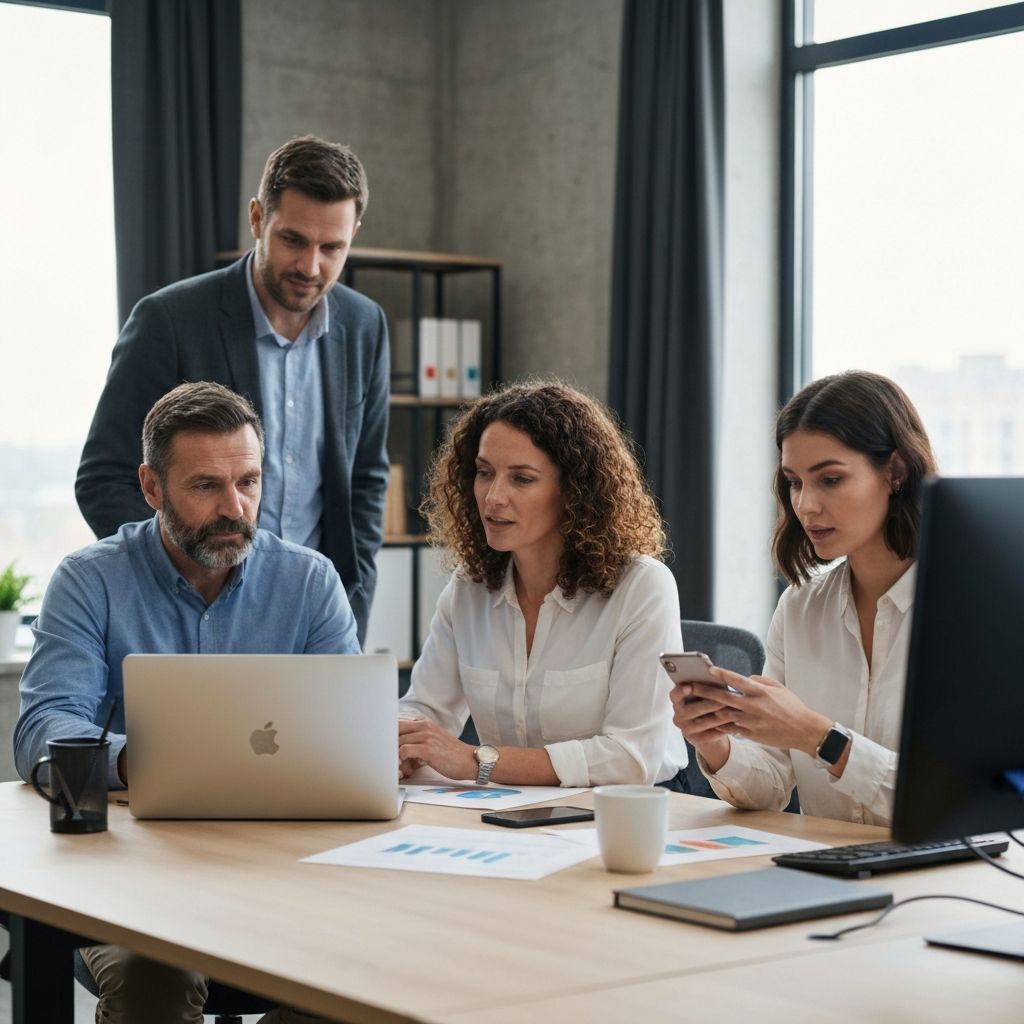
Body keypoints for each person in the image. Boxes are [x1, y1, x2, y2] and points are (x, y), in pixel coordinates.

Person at [16, 381, 356, 1024]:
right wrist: (139, 761)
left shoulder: (309, 581)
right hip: (132, 869)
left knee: (369, 971)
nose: (235, 507)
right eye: (206, 486)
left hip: (282, 865)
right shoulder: (90, 580)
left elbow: (349, 732)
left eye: (248, 482)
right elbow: (43, 727)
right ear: (151, 487)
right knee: (153, 977)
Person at [75, 135, 389, 643]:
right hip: (190, 611)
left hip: (315, 618)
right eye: (293, 240)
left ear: (353, 234)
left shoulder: (365, 325)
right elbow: (103, 478)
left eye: (332, 248)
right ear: (257, 218)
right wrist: (176, 583)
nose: (310, 267)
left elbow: (367, 481)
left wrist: (352, 602)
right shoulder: (169, 320)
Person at [671, 370, 938, 825]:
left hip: (950, 866)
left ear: (895, 472)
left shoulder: (968, 609)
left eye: (830, 479)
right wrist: (716, 742)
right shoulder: (800, 608)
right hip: (828, 860)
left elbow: (958, 801)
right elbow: (771, 786)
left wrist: (820, 737)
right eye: (794, 482)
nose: (806, 505)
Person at [397, 380, 689, 789]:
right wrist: (396, 743)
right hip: (510, 805)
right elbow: (424, 709)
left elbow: (631, 757)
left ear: (574, 491)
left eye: (522, 479)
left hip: (630, 808)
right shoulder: (468, 588)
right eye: (484, 473)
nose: (493, 497)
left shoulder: (642, 586)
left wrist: (476, 761)